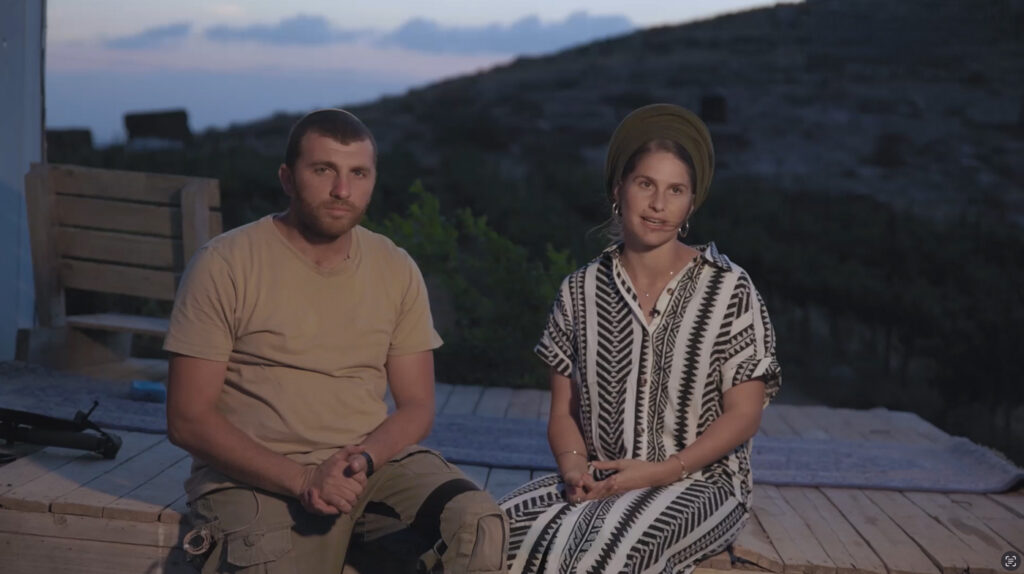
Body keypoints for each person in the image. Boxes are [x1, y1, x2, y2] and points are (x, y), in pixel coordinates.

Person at [164, 108, 508, 574]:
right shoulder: (225, 264)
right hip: (257, 476)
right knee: (264, 560)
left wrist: (365, 459)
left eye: (358, 173)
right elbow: (187, 419)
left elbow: (416, 406)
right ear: (287, 178)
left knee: (475, 524)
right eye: (323, 170)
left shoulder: (394, 267)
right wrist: (304, 478)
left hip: (368, 469)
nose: (342, 190)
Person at [499, 104, 781, 574]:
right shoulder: (579, 290)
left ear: (691, 203)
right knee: (487, 532)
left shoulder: (729, 288)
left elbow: (744, 414)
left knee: (601, 555)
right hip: (601, 478)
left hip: (701, 483)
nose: (658, 204)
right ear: (618, 189)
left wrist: (663, 470)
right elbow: (563, 413)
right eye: (645, 184)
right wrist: (573, 469)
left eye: (676, 190)